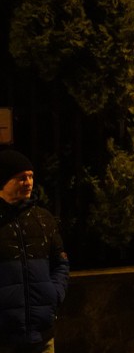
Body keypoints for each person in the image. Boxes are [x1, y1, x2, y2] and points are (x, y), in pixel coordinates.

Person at [0, 149, 69, 353]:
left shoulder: (43, 219)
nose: (29, 183)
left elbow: (61, 263)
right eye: (21, 178)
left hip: (42, 335)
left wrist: (54, 294)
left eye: (31, 177)